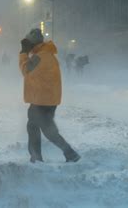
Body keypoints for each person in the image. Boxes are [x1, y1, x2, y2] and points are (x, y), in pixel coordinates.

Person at [19, 28, 80, 163]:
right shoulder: (45, 53)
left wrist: (23, 53)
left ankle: (66, 154)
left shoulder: (41, 56)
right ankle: (63, 154)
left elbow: (26, 70)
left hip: (42, 100)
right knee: (39, 127)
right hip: (46, 99)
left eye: (28, 44)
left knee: (43, 129)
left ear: (32, 43)